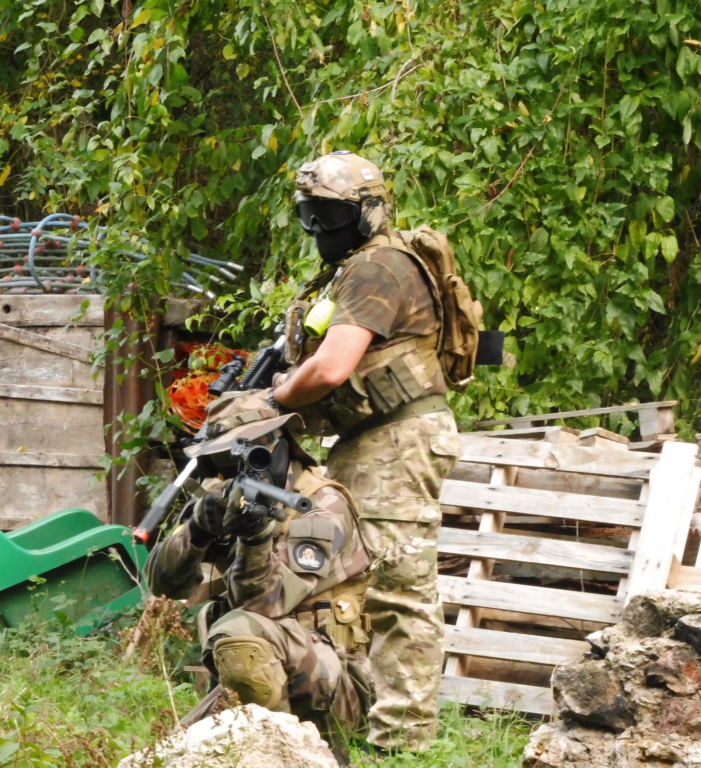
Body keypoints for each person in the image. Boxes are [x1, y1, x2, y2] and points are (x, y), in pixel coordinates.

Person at [268, 151, 461, 753]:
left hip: (397, 442)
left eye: (329, 213)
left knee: (400, 590)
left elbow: (331, 367)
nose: (319, 229)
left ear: (369, 212)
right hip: (373, 441)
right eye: (309, 215)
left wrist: (273, 398)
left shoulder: (379, 267)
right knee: (358, 588)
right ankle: (362, 719)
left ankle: (402, 742)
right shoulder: (356, 266)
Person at [143, 403, 374, 757]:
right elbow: (161, 584)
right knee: (168, 759)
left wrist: (255, 539)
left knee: (240, 631)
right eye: (222, 459)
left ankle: (289, 757)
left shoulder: (321, 504)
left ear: (281, 445)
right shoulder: (221, 494)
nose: (232, 468)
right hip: (259, 676)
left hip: (334, 685)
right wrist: (198, 530)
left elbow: (264, 605)